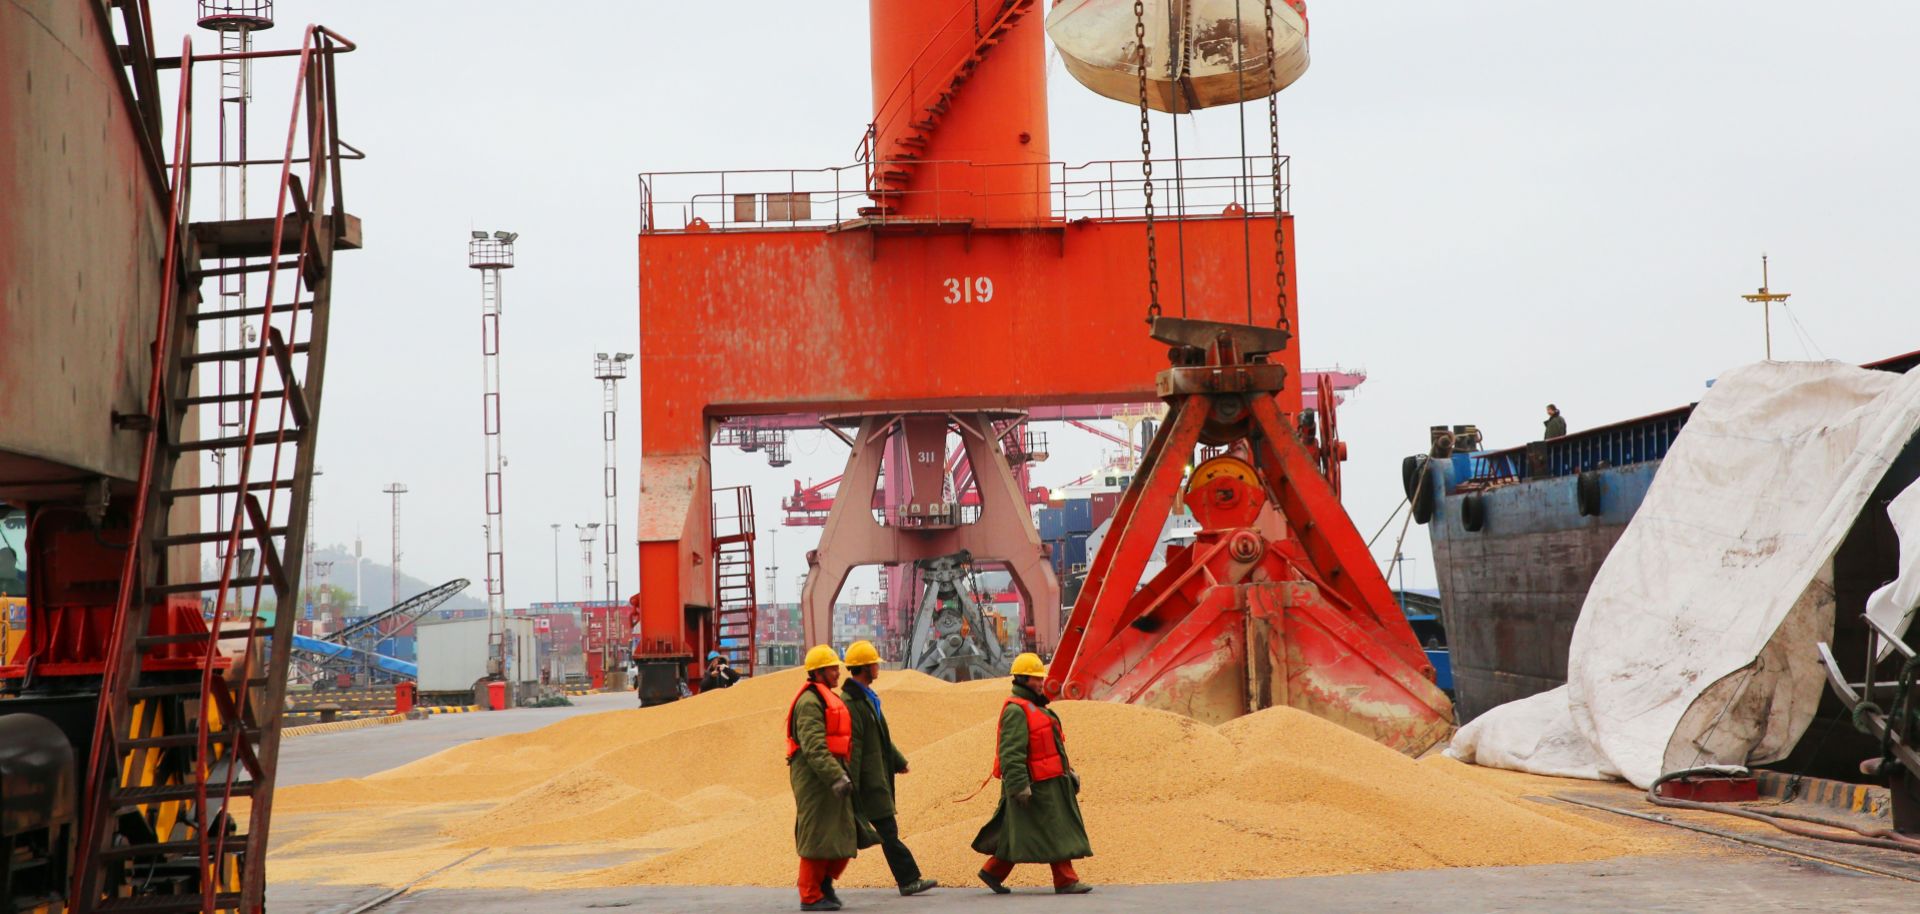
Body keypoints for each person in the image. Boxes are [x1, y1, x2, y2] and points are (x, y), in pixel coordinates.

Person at [972, 653, 1092, 895]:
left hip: (1051, 783)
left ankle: (993, 871)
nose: (1040, 682)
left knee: (1020, 832)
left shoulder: (1036, 708)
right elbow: (1011, 753)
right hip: (1036, 786)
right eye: (1036, 679)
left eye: (1040, 678)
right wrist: (1018, 786)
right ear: (1023, 679)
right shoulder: (1017, 711)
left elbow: (1052, 746)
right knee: (1054, 830)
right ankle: (1066, 881)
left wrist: (1069, 772)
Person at [839, 640, 938, 897]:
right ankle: (908, 880)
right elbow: (856, 747)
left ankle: (822, 882)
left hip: (876, 776)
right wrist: (853, 785)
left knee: (869, 833)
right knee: (886, 833)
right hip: (869, 781)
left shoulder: (867, 699)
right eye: (874, 664)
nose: (878, 668)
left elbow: (881, 737)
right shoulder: (853, 704)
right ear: (864, 668)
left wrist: (898, 760)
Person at [788, 645, 859, 911]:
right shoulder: (809, 703)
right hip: (815, 780)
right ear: (818, 673)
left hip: (831, 775)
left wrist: (841, 774)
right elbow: (813, 747)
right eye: (832, 669)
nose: (837, 672)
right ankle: (810, 896)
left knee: (841, 834)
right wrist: (835, 777)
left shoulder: (826, 696)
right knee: (816, 836)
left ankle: (825, 884)